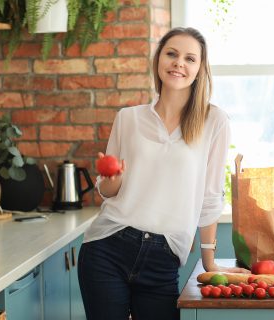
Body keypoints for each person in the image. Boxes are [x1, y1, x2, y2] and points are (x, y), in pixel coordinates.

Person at [78, 27, 249, 320]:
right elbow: (106, 191)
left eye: (189, 58)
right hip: (107, 246)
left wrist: (210, 263)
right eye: (171, 54)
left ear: (200, 69)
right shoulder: (128, 118)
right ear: (159, 60)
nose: (178, 63)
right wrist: (112, 180)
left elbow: (210, 198)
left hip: (164, 257)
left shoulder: (214, 122)